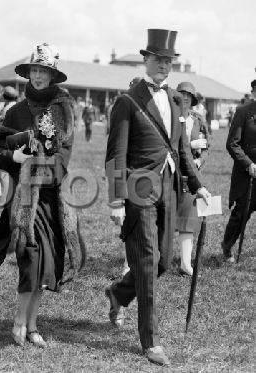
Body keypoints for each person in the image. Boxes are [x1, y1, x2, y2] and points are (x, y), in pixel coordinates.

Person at [105, 29, 211, 366]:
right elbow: (115, 155)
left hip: (170, 190)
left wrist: (198, 186)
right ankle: (150, 342)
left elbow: (180, 151)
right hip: (138, 191)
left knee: (165, 262)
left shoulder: (179, 100)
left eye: (169, 60)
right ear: (146, 59)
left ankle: (119, 292)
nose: (164, 65)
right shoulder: (127, 101)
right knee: (149, 262)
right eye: (158, 59)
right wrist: (116, 200)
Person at [0, 43, 84, 349]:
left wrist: (45, 163)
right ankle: (18, 322)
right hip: (24, 198)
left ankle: (32, 325)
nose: (39, 76)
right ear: (29, 73)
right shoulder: (14, 111)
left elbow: (65, 153)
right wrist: (13, 158)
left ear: (53, 76)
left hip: (53, 197)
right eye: (35, 70)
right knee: (29, 259)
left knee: (47, 265)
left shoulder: (63, 110)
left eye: (45, 71)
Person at [176, 82, 209, 276]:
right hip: (170, 173)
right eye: (182, 94)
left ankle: (185, 263)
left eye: (189, 95)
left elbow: (206, 148)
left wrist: (199, 161)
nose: (185, 98)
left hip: (191, 175)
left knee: (188, 218)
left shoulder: (198, 120)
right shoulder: (168, 117)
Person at [221, 90, 256, 263]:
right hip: (246, 174)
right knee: (241, 214)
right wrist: (248, 163)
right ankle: (227, 247)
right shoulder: (243, 112)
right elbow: (232, 144)